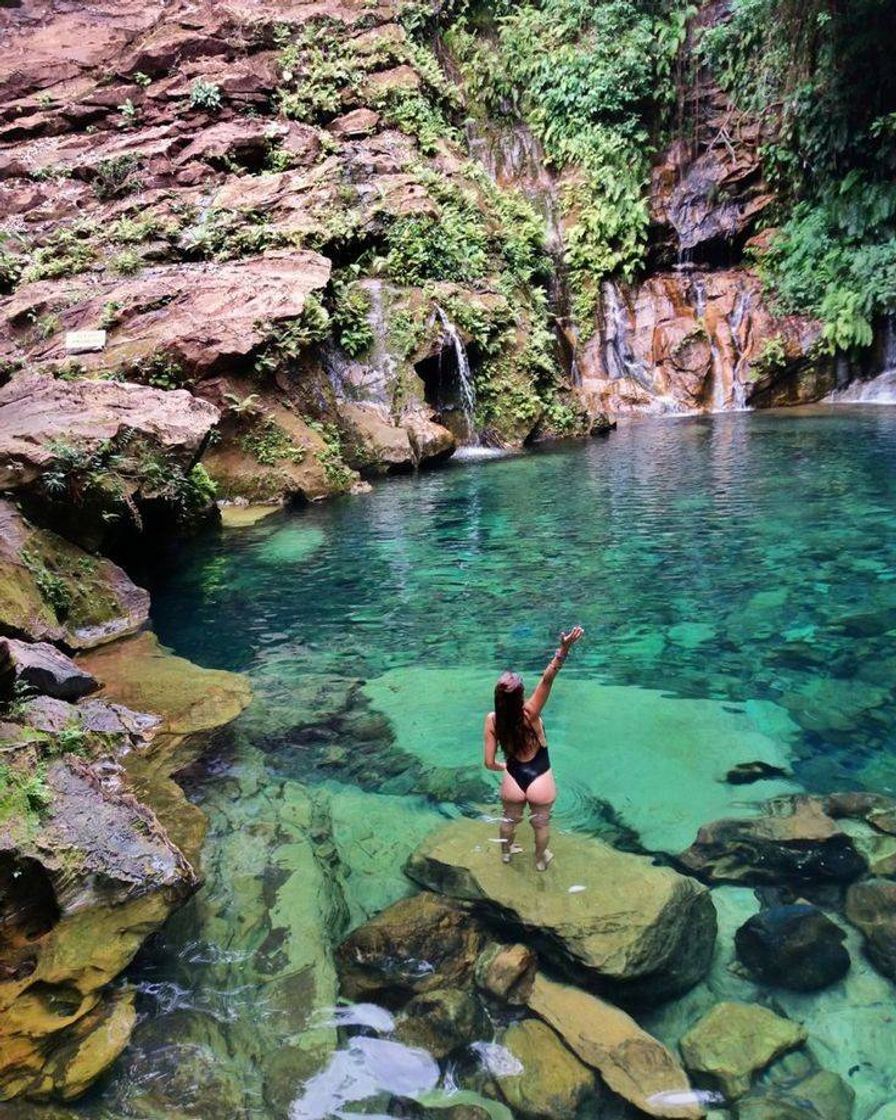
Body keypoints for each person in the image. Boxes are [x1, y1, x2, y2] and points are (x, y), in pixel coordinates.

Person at [483, 626, 584, 871]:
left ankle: (506, 854)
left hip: (513, 780)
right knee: (541, 823)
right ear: (520, 697)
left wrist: (506, 766)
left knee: (509, 819)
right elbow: (548, 678)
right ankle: (540, 859)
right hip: (540, 776)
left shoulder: (492, 720)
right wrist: (564, 648)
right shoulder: (530, 713)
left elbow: (488, 763)